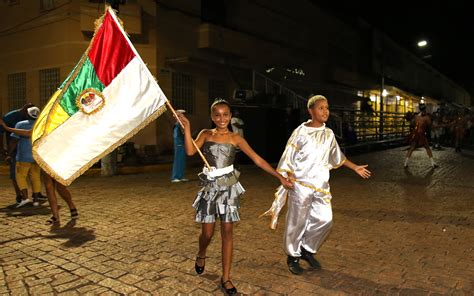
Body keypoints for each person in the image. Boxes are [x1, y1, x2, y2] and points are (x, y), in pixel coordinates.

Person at [176, 99, 292, 295]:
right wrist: (186, 127)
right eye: (218, 115)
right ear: (212, 117)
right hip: (210, 188)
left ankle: (226, 277)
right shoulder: (205, 133)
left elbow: (257, 159)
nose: (222, 118)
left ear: (230, 116)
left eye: (226, 114)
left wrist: (279, 176)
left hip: (229, 188)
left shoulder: (235, 138)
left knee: (227, 232)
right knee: (207, 234)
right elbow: (189, 151)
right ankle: (201, 253)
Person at [262, 95, 371, 275]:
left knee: (325, 219)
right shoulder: (300, 132)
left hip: (321, 185)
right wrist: (287, 176)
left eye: (327, 108)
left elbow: (338, 156)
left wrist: (354, 167)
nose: (325, 111)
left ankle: (306, 249)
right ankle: (292, 256)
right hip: (300, 184)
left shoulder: (328, 134)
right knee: (297, 222)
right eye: (321, 108)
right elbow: (288, 156)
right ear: (311, 111)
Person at [0, 118, 78, 224]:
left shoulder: (59, 127)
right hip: (45, 159)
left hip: (59, 159)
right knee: (49, 187)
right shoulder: (41, 128)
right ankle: (55, 216)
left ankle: (71, 205)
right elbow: (27, 133)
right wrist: (6, 128)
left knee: (60, 187)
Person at [6, 107, 43, 208]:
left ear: (27, 114)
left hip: (23, 157)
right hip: (36, 157)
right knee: (36, 178)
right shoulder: (41, 125)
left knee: (20, 177)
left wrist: (9, 153)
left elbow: (14, 140)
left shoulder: (21, 124)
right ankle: (36, 200)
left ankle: (25, 198)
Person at [0, 103, 35, 204]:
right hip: (15, 150)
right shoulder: (10, 117)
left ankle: (35, 195)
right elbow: (1, 133)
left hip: (27, 149)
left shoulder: (30, 119)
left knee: (32, 174)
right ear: (24, 111)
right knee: (15, 173)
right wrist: (4, 150)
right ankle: (20, 196)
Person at [404, 104, 438, 168]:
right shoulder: (427, 117)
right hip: (421, 134)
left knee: (412, 148)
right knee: (427, 148)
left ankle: (405, 163)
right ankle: (433, 163)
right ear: (425, 109)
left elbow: (412, 123)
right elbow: (430, 126)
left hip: (415, 134)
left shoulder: (416, 116)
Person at [171, 109, 188, 183]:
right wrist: (179, 143)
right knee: (178, 160)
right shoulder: (177, 125)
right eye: (181, 115)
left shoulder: (181, 125)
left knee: (182, 160)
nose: (183, 117)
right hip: (179, 144)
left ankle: (181, 176)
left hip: (182, 144)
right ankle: (175, 177)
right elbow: (176, 136)